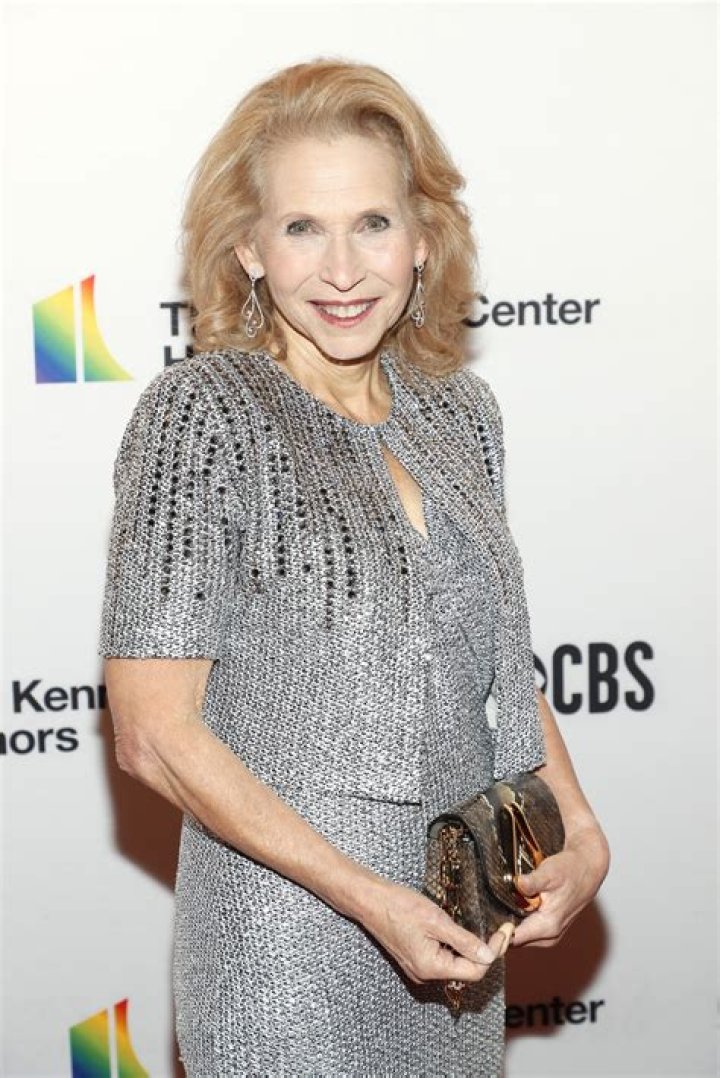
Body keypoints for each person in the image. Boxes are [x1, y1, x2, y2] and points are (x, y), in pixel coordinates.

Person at [98, 58, 610, 1077]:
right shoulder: (203, 414)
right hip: (284, 947)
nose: (343, 270)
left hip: (459, 928)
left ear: (423, 237)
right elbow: (154, 735)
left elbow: (497, 670)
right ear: (248, 248)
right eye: (302, 228)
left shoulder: (461, 414)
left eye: (372, 223)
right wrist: (369, 899)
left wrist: (582, 829)